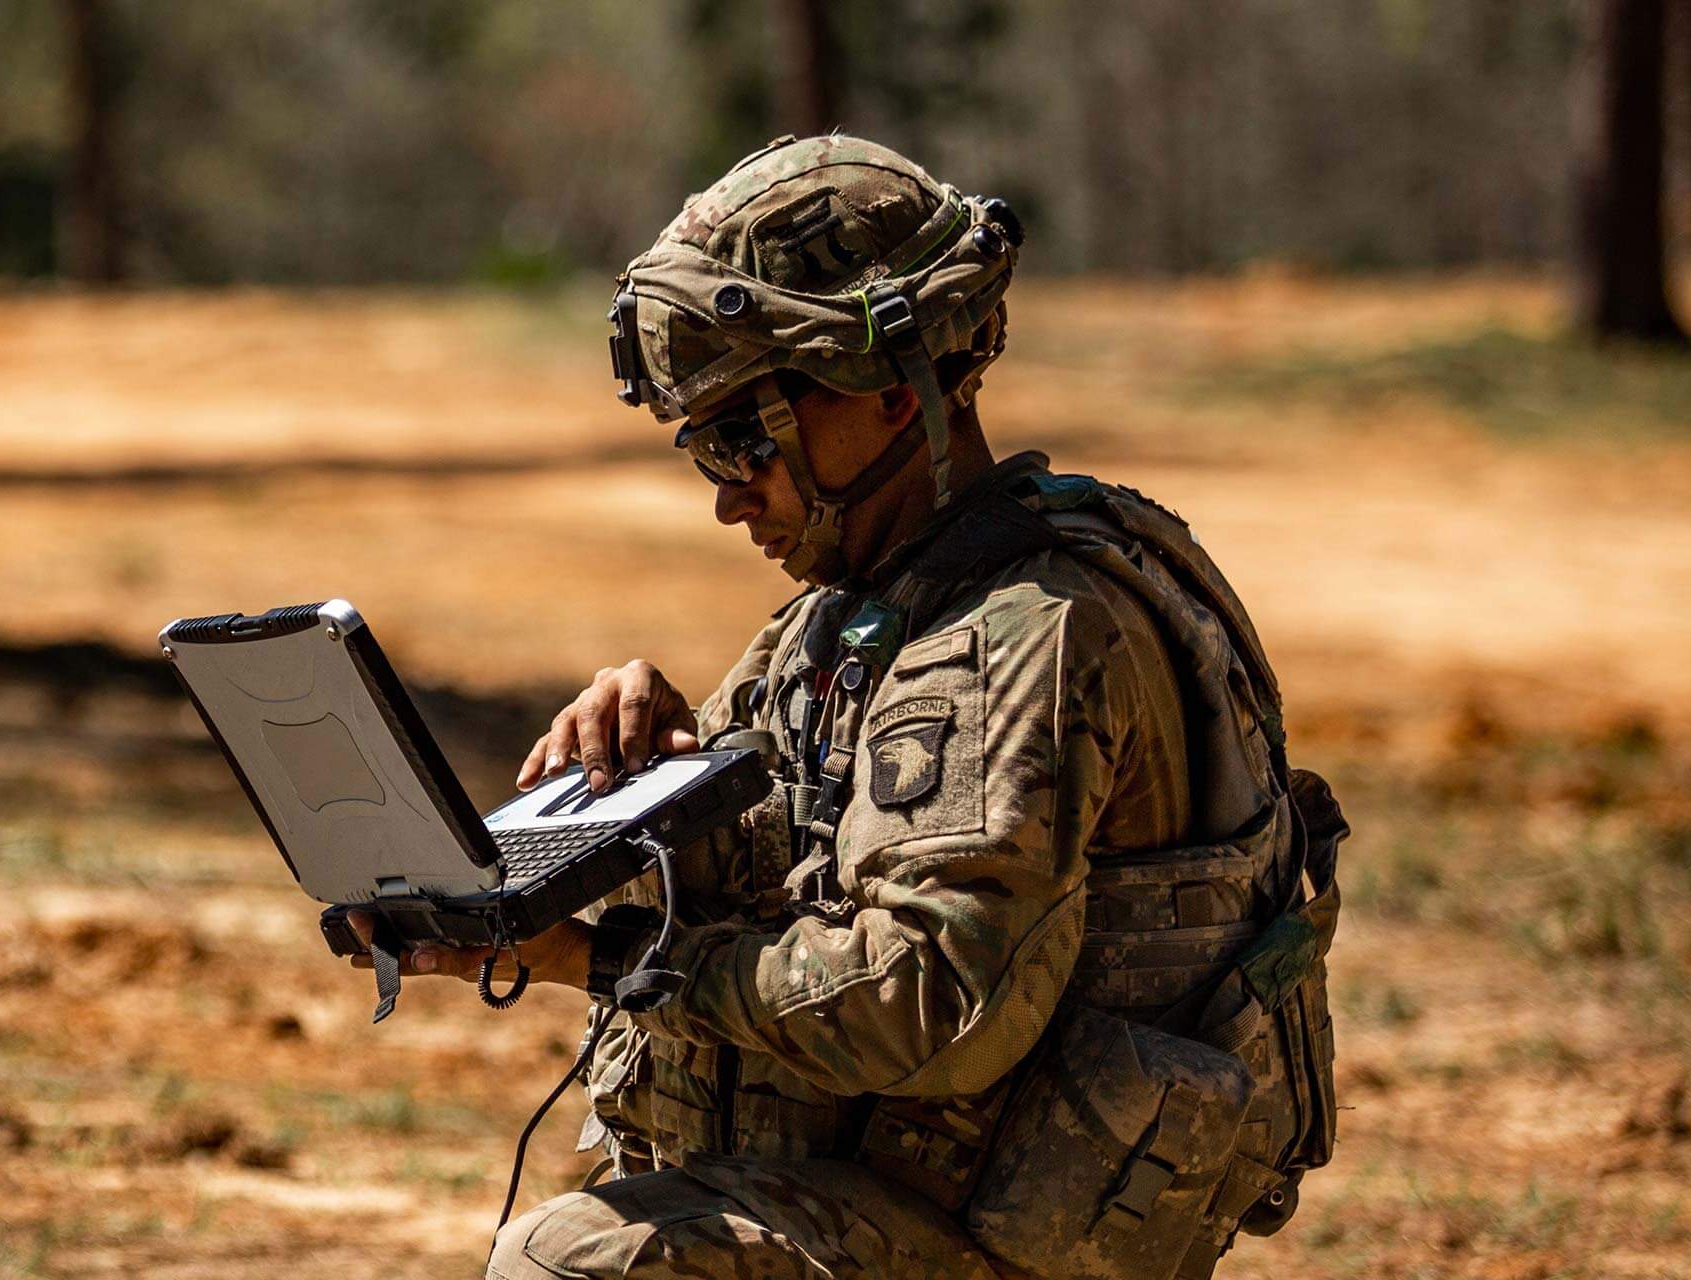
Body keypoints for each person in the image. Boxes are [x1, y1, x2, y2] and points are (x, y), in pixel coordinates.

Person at [349, 135, 1344, 1280]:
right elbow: (765, 862)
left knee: (572, 1266)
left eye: (741, 437)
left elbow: (931, 1001)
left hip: (995, 1243)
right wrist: (639, 768)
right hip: (891, 1205)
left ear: (878, 391)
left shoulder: (1024, 633)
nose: (729, 500)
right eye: (702, 451)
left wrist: (607, 954)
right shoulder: (869, 609)